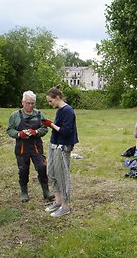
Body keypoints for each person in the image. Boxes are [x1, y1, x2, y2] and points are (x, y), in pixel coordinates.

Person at [6, 90, 54, 203]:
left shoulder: (39, 114)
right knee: (23, 170)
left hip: (36, 147)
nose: (30, 106)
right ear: (22, 102)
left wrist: (35, 132)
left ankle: (46, 192)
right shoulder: (15, 116)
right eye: (28, 103)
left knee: (42, 167)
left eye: (33, 103)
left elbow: (45, 128)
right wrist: (19, 134)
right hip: (21, 148)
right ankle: (24, 192)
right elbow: (9, 130)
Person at [42, 87, 79, 217]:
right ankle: (57, 201)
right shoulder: (59, 110)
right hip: (54, 145)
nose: (49, 104)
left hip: (63, 147)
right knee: (51, 173)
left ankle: (65, 206)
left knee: (62, 176)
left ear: (57, 98)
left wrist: (51, 124)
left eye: (50, 101)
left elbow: (66, 131)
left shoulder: (68, 110)